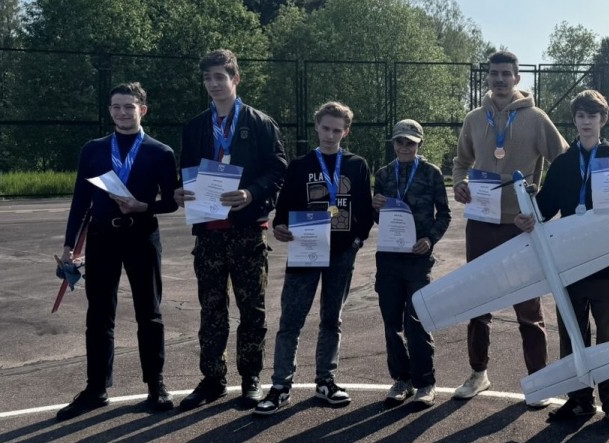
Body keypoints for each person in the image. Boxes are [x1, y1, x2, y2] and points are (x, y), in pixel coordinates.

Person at [513, 90, 609, 434]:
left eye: (593, 116)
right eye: (581, 116)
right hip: (570, 264)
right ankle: (579, 399)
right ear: (574, 120)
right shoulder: (562, 163)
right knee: (573, 335)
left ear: (604, 119)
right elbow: (546, 208)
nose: (586, 122)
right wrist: (529, 216)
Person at [56, 82, 179, 421]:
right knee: (99, 314)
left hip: (142, 236)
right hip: (102, 238)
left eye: (129, 106)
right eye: (116, 107)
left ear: (143, 110)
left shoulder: (160, 152)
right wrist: (69, 246)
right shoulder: (94, 150)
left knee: (149, 312)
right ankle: (96, 388)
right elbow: (80, 201)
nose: (122, 113)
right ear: (110, 110)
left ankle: (156, 385)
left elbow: (171, 202)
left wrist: (143, 206)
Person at [450, 50, 567, 404]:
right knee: (478, 302)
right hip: (481, 223)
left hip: (521, 225)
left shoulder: (535, 118)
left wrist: (540, 205)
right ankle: (478, 373)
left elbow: (564, 163)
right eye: (494, 73)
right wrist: (459, 183)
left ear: (517, 78)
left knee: (528, 307)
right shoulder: (474, 118)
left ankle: (539, 379)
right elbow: (461, 162)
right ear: (487, 77)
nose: (500, 79)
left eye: (506, 74)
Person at [175, 49, 287, 411]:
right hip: (208, 232)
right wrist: (180, 192)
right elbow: (186, 172)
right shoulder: (195, 127)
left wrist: (251, 193)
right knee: (212, 309)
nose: (213, 84)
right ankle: (212, 378)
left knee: (251, 308)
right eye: (207, 78)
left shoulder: (260, 123)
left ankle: (251, 376)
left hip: (247, 231)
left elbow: (278, 169)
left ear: (235, 79)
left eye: (220, 77)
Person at [252, 102, 374, 415]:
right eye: (326, 128)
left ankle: (326, 380)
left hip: (341, 253)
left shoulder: (357, 165)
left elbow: (365, 209)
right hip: (305, 251)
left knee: (332, 319)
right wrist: (280, 226)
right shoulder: (300, 165)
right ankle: (280, 386)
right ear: (316, 126)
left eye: (337, 130)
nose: (330, 135)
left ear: (346, 132)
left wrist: (356, 241)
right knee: (291, 320)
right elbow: (284, 208)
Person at [373, 119, 451, 407]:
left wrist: (430, 239)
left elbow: (444, 214)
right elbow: (379, 218)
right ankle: (401, 379)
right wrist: (374, 207)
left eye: (410, 142)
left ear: (420, 144)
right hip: (389, 258)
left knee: (417, 320)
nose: (404, 147)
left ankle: (425, 382)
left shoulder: (431, 173)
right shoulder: (383, 174)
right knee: (391, 322)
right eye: (400, 142)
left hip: (418, 258)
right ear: (393, 143)